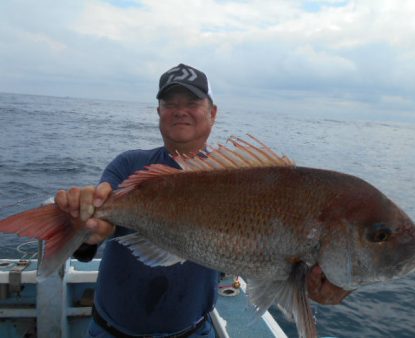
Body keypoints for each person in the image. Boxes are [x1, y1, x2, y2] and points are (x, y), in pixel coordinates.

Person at [55, 63, 350, 338]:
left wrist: (324, 284)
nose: (180, 111)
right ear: (158, 111)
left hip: (193, 331)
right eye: (170, 104)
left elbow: (274, 262)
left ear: (213, 112)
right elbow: (93, 233)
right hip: (110, 330)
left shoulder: (244, 179)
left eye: (192, 103)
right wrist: (86, 230)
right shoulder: (129, 165)